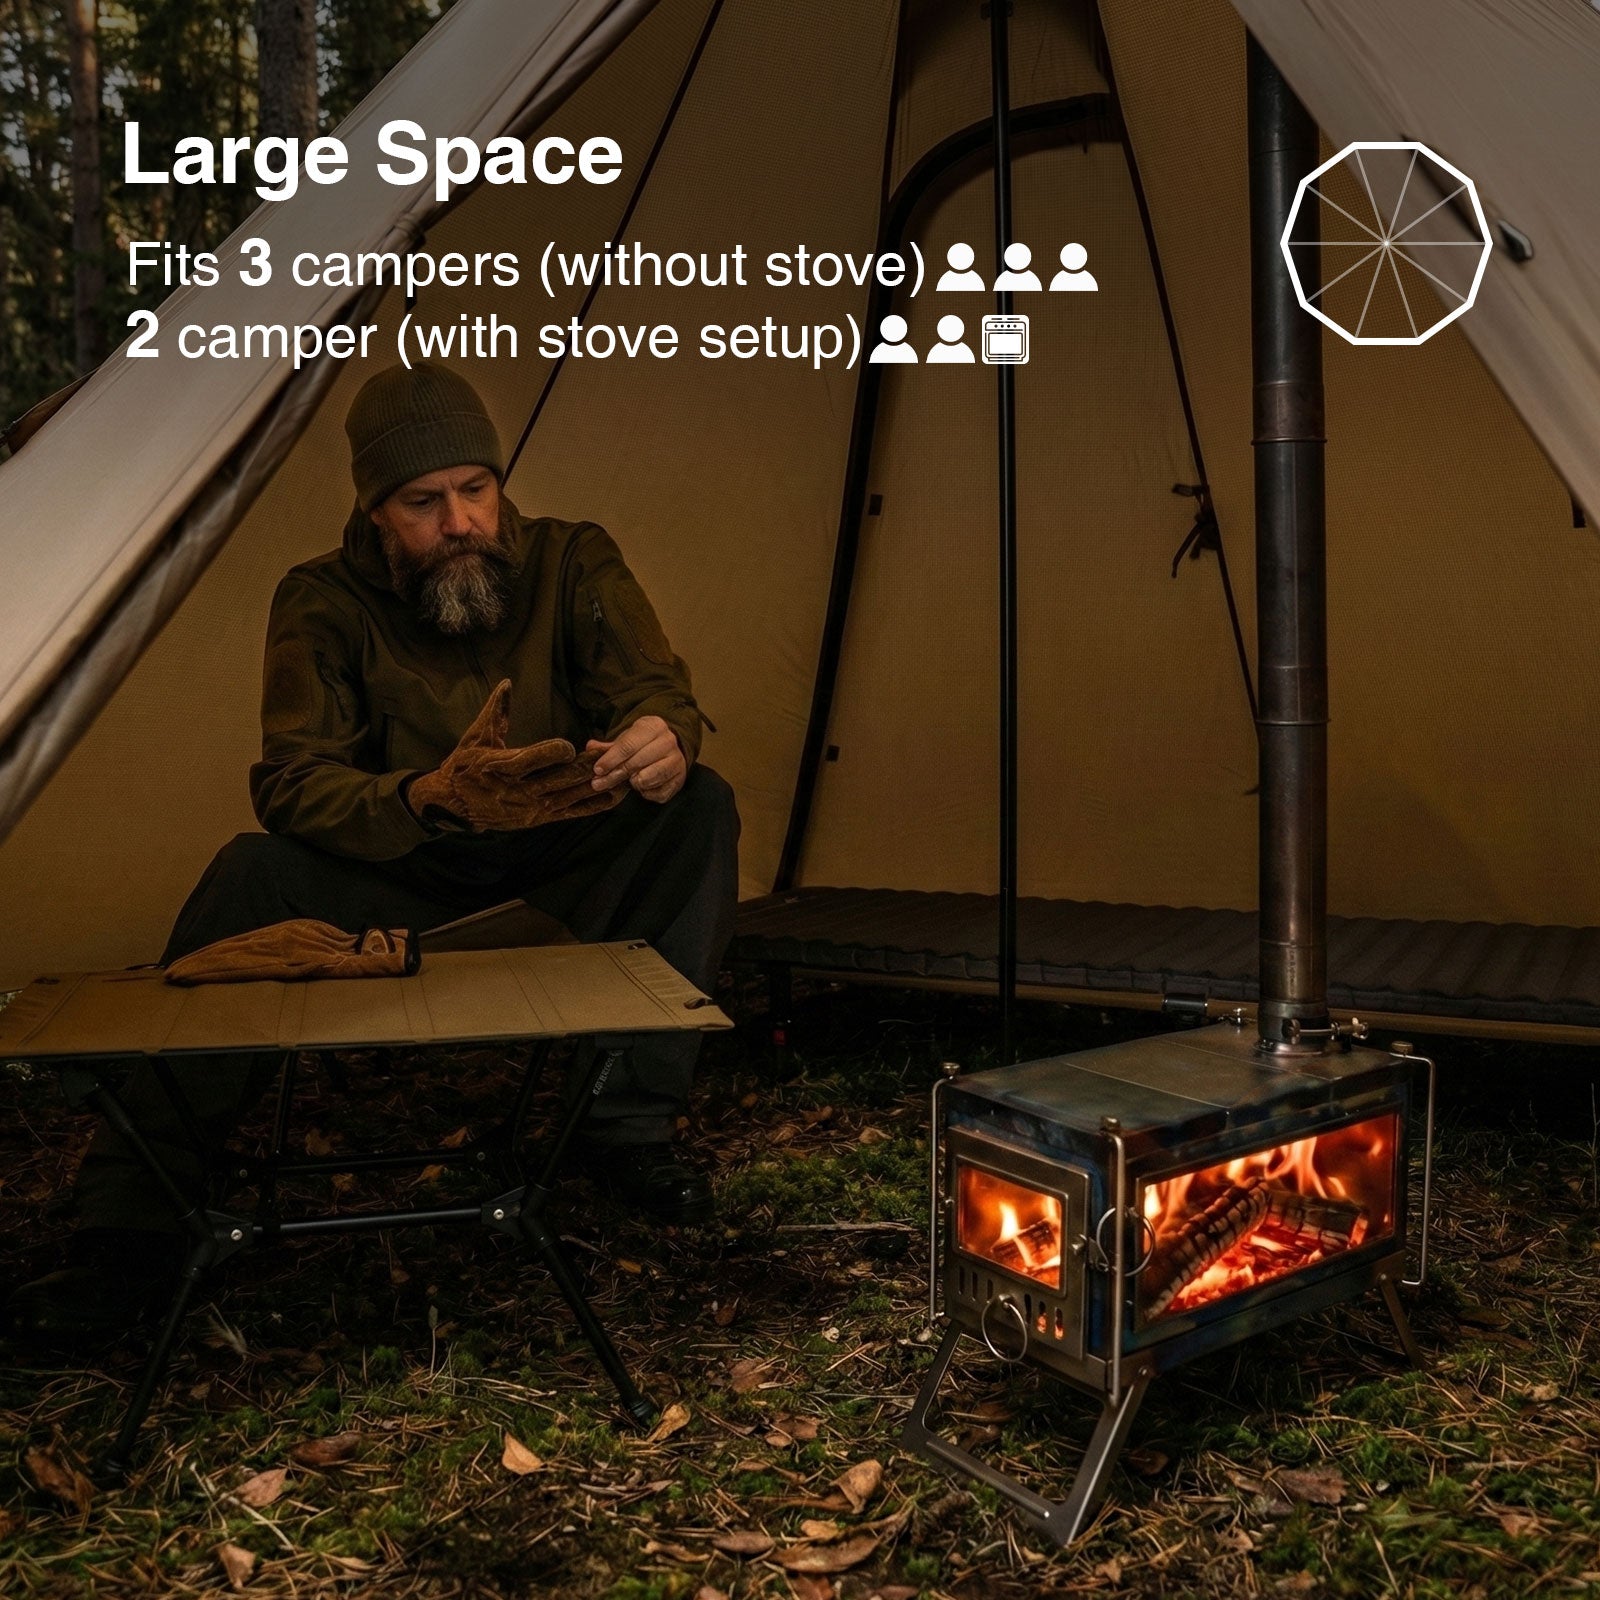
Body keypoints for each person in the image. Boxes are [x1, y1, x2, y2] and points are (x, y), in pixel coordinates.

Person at [5, 362, 740, 1346]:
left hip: (558, 853)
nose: (460, 522)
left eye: (476, 489)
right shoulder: (322, 598)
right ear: (375, 508)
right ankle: (131, 1217)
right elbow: (292, 783)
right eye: (423, 502)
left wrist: (662, 736)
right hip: (404, 868)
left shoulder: (572, 561)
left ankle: (620, 1127)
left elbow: (658, 689)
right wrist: (429, 796)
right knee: (248, 870)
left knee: (697, 806)